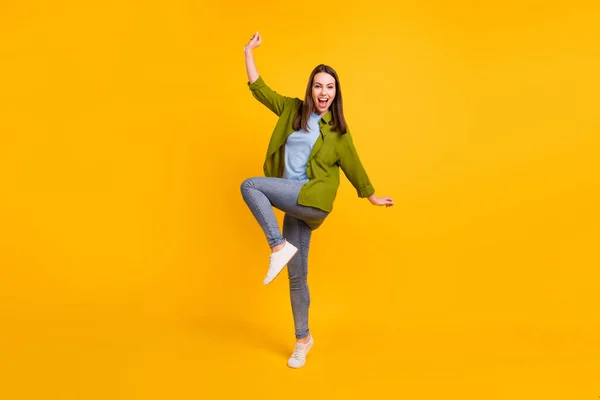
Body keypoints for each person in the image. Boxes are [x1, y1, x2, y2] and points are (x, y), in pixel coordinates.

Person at [240, 31, 394, 368]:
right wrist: (248, 52)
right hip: (292, 198)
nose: (324, 92)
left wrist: (371, 197)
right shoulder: (292, 111)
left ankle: (277, 246)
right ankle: (302, 339)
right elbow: (260, 89)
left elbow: (354, 164)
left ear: (336, 93)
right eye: (318, 86)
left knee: (250, 186)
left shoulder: (338, 132)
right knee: (297, 276)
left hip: (314, 199)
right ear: (311, 89)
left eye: (330, 87)